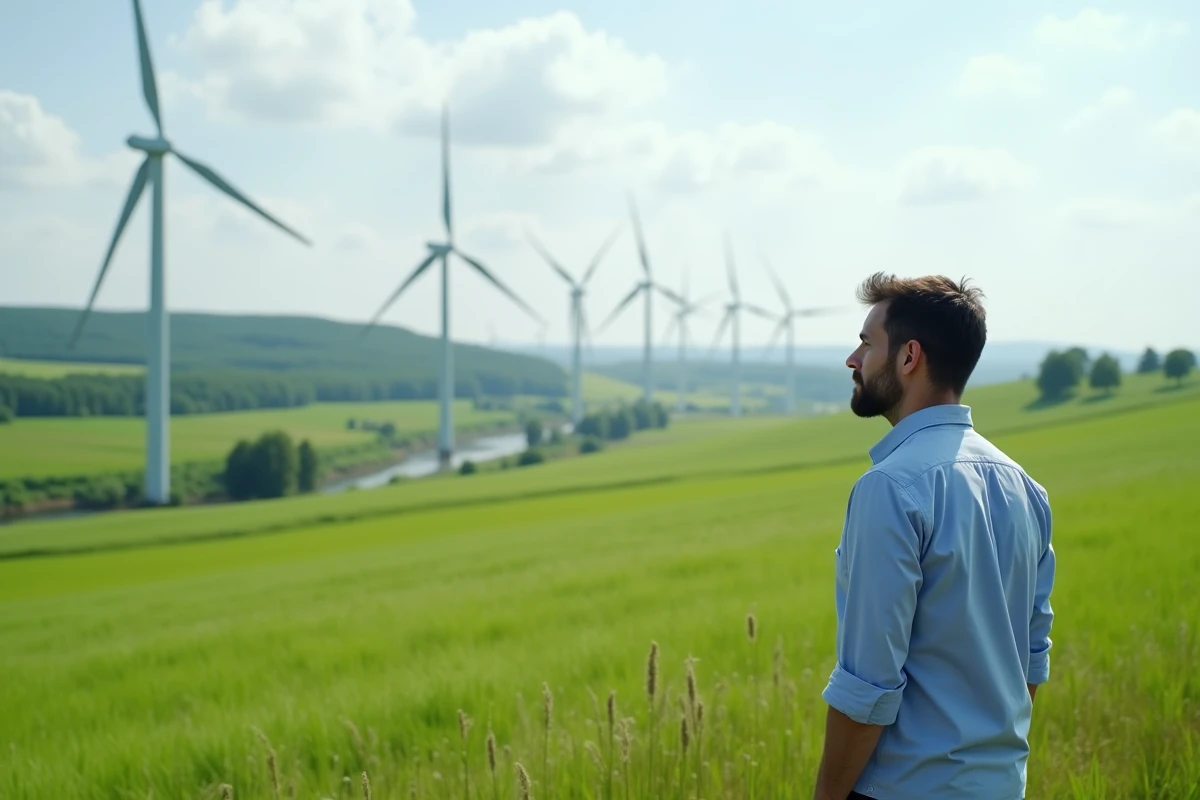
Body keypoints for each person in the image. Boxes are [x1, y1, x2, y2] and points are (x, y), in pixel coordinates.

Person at [812, 273, 1056, 800]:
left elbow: (868, 684)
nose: (853, 360)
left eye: (866, 342)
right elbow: (1031, 661)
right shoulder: (1026, 489)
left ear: (909, 357)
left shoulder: (890, 489)